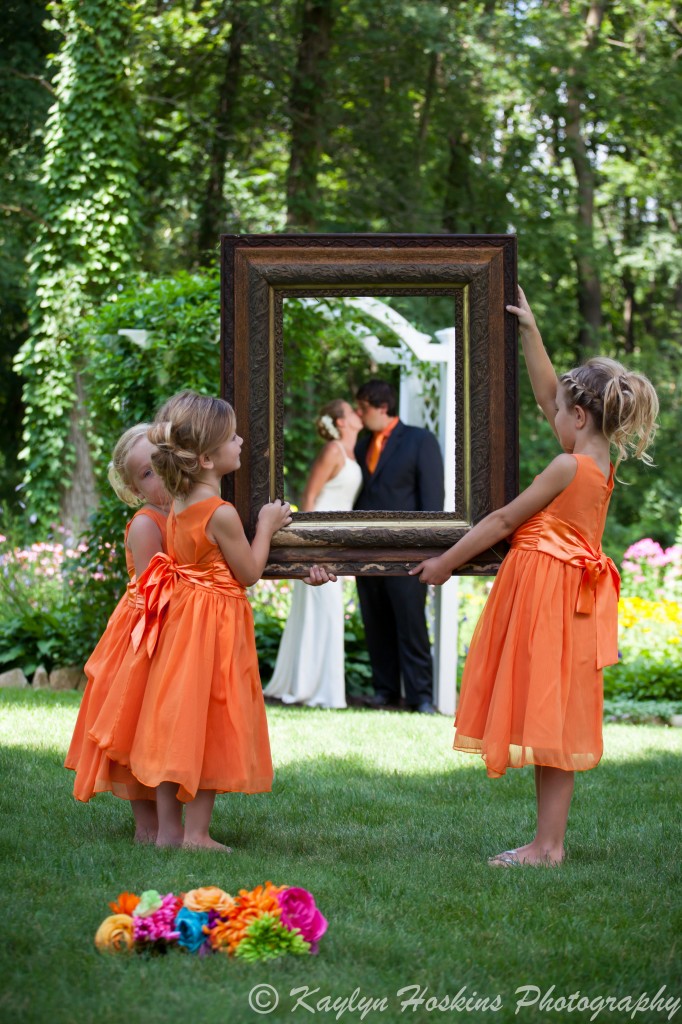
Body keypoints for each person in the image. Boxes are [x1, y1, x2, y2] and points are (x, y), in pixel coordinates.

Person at [410, 288, 659, 866]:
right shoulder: (599, 460)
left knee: (549, 715)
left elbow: (502, 519)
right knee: (555, 718)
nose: (551, 414)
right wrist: (531, 331)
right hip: (572, 599)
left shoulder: (566, 464)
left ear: (580, 417)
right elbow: (553, 395)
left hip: (548, 595)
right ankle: (549, 844)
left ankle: (547, 846)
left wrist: (446, 563)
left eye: (561, 412)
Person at [107, 391, 329, 851]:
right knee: (209, 719)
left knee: (175, 722)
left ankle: (169, 832)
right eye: (232, 437)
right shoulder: (221, 513)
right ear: (207, 458)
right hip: (212, 628)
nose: (241, 440)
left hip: (182, 623)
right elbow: (247, 573)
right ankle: (197, 834)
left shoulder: (181, 505)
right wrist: (266, 526)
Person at [64, 424, 169, 842]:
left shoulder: (192, 510)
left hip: (175, 624)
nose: (159, 476)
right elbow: (155, 587)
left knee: (164, 723)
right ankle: (147, 824)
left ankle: (169, 815)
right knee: (136, 722)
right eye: (146, 474)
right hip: (144, 631)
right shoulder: (147, 523)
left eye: (162, 463)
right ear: (135, 489)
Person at [264, 399, 363, 709]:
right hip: (320, 540)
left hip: (337, 540)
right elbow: (309, 495)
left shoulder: (351, 453)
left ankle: (322, 688)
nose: (358, 414)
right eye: (351, 411)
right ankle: (309, 687)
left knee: (330, 613)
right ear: (342, 422)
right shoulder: (333, 450)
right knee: (321, 609)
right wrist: (310, 546)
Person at [354, 379, 444, 713]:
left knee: (411, 624)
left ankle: (421, 696)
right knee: (375, 621)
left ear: (382, 406)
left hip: (409, 552)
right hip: (365, 553)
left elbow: (433, 498)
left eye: (363, 407)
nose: (359, 414)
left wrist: (430, 549)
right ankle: (385, 691)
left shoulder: (420, 440)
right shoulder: (362, 446)